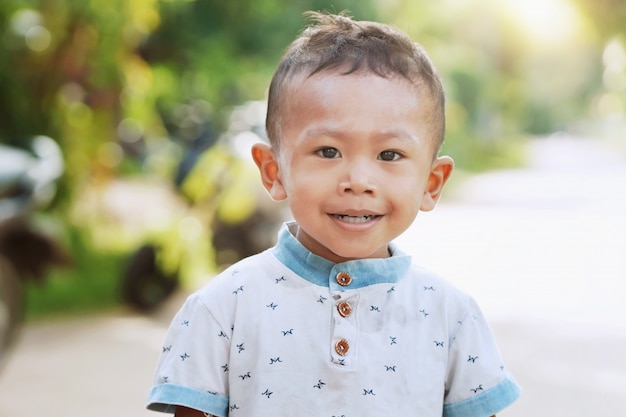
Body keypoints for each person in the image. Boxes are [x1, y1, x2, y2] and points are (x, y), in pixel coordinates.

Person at [146, 11, 521, 417]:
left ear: (431, 183)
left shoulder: (451, 316)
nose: (358, 179)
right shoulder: (222, 309)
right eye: (328, 151)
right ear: (274, 172)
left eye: (389, 154)